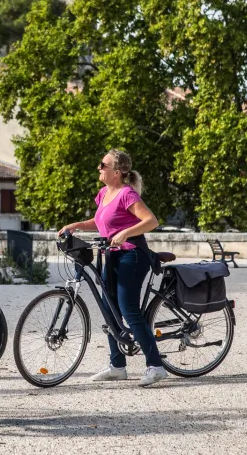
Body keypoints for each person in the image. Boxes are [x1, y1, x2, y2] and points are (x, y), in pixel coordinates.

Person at [58, 149, 168, 387]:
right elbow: (100, 222)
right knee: (109, 308)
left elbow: (151, 221)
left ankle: (156, 365)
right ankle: (117, 366)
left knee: (128, 310)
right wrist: (77, 225)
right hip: (112, 255)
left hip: (133, 255)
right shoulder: (103, 194)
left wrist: (125, 233)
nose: (99, 168)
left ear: (116, 172)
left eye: (103, 165)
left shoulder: (127, 194)